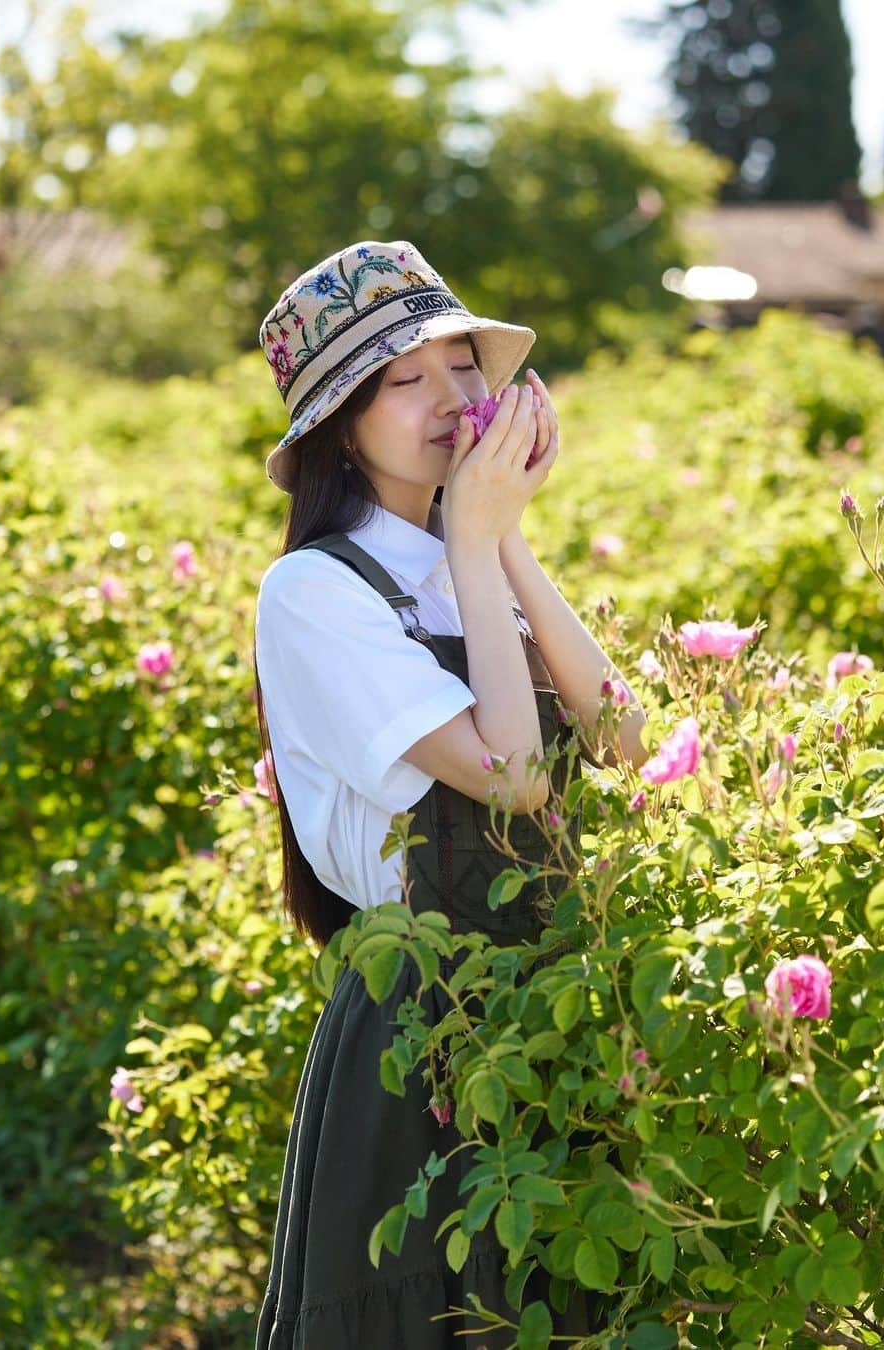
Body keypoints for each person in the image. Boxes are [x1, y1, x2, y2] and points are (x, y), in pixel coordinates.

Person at [251, 239, 644, 1348]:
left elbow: (627, 739)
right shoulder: (314, 591)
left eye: (464, 367)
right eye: (405, 380)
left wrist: (502, 541)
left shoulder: (465, 557)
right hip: (430, 1022)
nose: (450, 398)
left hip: (552, 1008)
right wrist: (474, 537)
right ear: (342, 425)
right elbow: (514, 778)